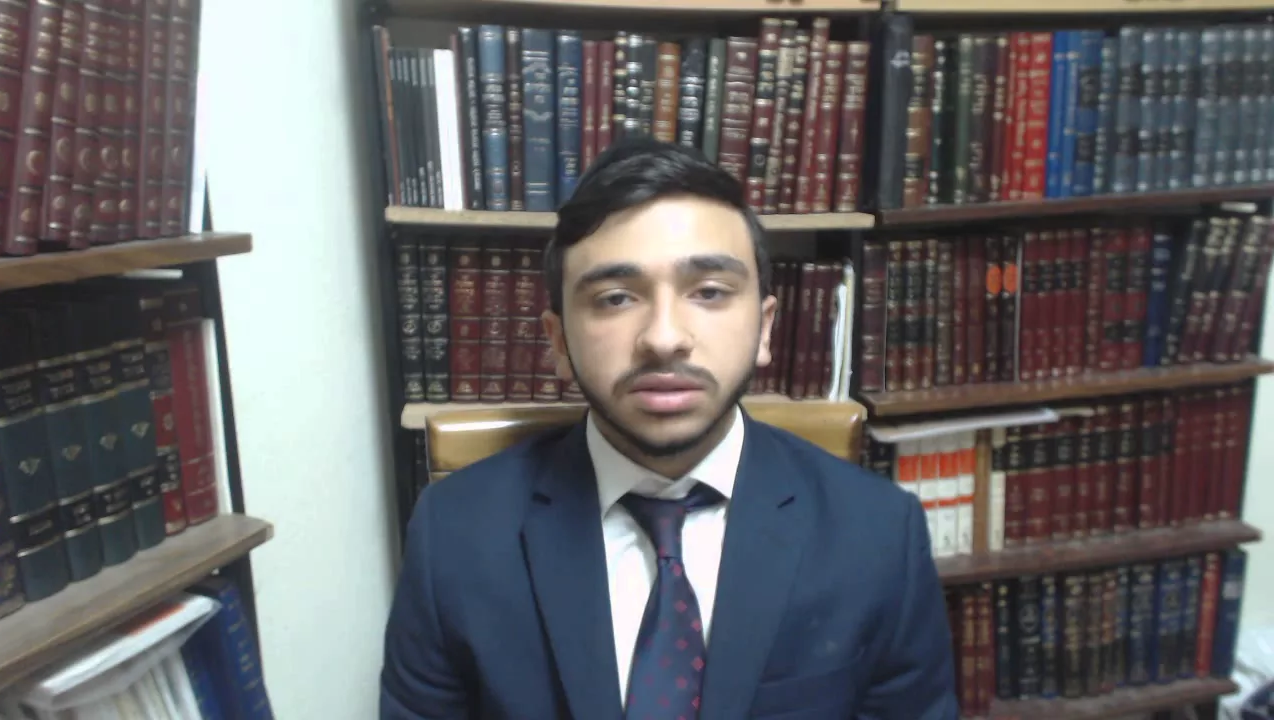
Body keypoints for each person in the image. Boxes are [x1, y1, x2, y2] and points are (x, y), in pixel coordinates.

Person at [379, 138, 959, 720]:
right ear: (558, 342)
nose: (663, 338)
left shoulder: (880, 534)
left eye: (708, 292)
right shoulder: (453, 536)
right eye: (615, 298)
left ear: (765, 329)